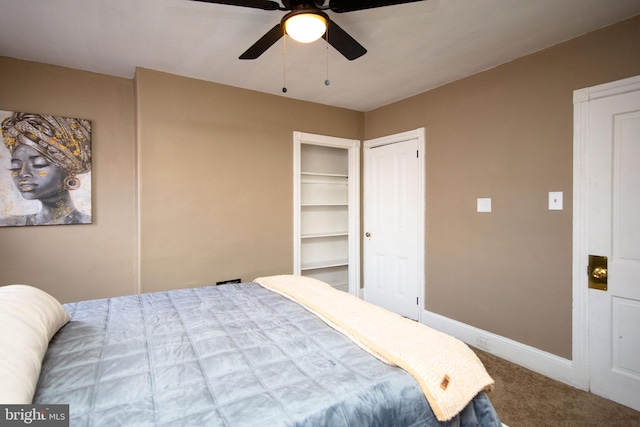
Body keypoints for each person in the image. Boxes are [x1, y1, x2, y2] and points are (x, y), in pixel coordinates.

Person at [0, 112, 91, 226]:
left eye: (38, 164)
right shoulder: (8, 223)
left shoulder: (86, 222)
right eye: (15, 168)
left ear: (67, 169)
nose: (23, 174)